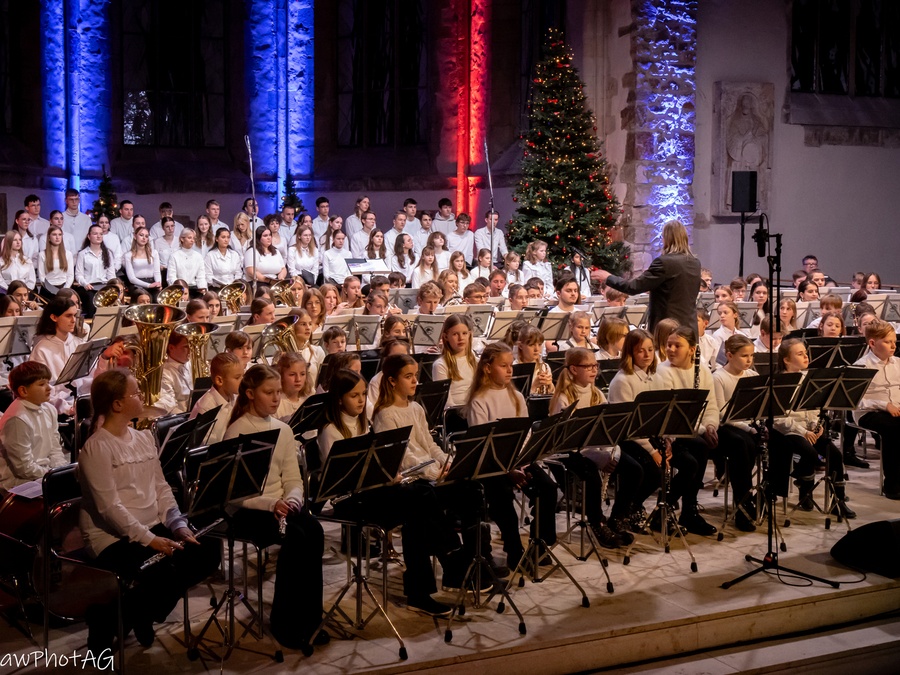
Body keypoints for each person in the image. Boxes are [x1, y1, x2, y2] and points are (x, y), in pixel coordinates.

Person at [78, 369, 220, 652]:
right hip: (112, 538)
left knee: (207, 551)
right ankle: (122, 617)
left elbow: (160, 487)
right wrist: (151, 540)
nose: (142, 397)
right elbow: (109, 508)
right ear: (118, 404)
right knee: (164, 572)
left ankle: (122, 615)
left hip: (151, 525)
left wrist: (177, 524)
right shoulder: (96, 448)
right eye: (136, 393)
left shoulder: (143, 437)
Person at [318, 369, 464, 615]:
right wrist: (382, 477)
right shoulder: (330, 430)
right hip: (351, 500)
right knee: (422, 498)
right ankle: (450, 555)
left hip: (374, 491)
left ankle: (420, 592)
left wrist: (387, 474)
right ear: (339, 398)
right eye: (354, 395)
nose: (362, 400)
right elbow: (342, 478)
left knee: (418, 508)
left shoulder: (365, 422)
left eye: (364, 394)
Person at [224, 365, 327, 649]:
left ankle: (310, 618)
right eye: (268, 393)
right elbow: (233, 494)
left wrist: (293, 499)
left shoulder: (282, 429)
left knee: (314, 531)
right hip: (249, 511)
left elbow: (293, 477)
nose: (275, 398)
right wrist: (271, 504)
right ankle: (285, 623)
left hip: (281, 506)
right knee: (296, 538)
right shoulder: (237, 431)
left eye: (277, 392)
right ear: (249, 393)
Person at [463, 342, 559, 570]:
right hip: (491, 465)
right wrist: (509, 471)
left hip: (518, 460)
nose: (509, 370)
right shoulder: (479, 400)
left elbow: (525, 435)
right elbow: (485, 443)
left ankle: (540, 544)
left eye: (511, 365)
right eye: (503, 365)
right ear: (487, 368)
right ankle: (514, 550)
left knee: (548, 488)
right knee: (502, 497)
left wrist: (523, 464)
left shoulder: (516, 395)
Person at [547, 348, 641, 546]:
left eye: (595, 365)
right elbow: (566, 441)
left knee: (634, 469)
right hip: (570, 452)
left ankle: (616, 518)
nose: (594, 369)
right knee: (591, 476)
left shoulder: (597, 393)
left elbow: (610, 431)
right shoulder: (564, 397)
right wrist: (599, 458)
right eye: (588, 366)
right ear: (573, 369)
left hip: (599, 449)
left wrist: (610, 455)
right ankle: (597, 522)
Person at [772, 339, 852, 516]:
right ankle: (805, 490)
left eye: (805, 353)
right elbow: (778, 419)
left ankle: (838, 501)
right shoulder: (780, 381)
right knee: (810, 453)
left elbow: (814, 408)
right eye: (799, 354)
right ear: (786, 359)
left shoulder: (809, 378)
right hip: (788, 431)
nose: (805, 356)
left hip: (808, 429)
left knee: (835, 455)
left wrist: (816, 426)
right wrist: (804, 431)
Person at [655, 326, 719, 536]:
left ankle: (689, 510)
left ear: (692, 349)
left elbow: (710, 405)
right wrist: (701, 429)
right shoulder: (663, 371)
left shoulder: (703, 369)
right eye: (668, 345)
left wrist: (710, 426)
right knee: (694, 456)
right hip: (668, 433)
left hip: (692, 431)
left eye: (677, 346)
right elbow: (671, 415)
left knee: (702, 447)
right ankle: (665, 508)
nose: (671, 349)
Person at [607, 329, 670, 532]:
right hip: (627, 438)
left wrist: (666, 441)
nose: (647, 355)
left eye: (650, 350)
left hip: (649, 436)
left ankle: (634, 507)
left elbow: (662, 415)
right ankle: (620, 513)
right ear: (630, 353)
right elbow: (628, 425)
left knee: (668, 467)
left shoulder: (655, 377)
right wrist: (652, 451)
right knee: (646, 469)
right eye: (640, 351)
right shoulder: (622, 380)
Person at [593, 219, 701, 332]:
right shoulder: (695, 263)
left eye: (663, 237)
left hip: (668, 329)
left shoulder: (664, 262)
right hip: (689, 328)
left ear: (667, 239)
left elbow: (633, 287)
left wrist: (608, 277)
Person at [712, 335, 761, 532]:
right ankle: (742, 504)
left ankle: (759, 497)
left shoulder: (752, 376)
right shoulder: (718, 377)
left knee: (771, 441)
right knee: (743, 444)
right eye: (744, 356)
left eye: (751, 356)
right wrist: (748, 427)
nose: (749, 360)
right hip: (726, 427)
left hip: (749, 425)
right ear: (729, 355)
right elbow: (722, 413)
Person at [0, 361, 68, 488]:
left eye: (48, 382)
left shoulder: (49, 409)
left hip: (44, 474)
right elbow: (24, 468)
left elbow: (55, 449)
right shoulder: (17, 419)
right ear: (23, 391)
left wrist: (61, 471)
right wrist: (52, 476)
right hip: (19, 482)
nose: (49, 388)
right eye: (42, 384)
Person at [853, 320, 900, 499]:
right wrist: (884, 405)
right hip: (869, 413)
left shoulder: (898, 363)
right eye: (888, 341)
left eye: (894, 341)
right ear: (872, 343)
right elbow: (856, 401)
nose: (893, 345)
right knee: (894, 429)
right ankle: (892, 485)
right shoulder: (862, 366)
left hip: (895, 410)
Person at [189, 352, 242, 445]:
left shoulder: (236, 397)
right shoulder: (205, 408)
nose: (242, 381)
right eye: (237, 377)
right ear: (219, 380)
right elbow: (204, 445)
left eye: (243, 376)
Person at [433, 314, 478, 408]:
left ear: (470, 334)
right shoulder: (441, 365)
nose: (461, 338)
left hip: (477, 409)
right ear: (446, 337)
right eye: (455, 334)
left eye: (464, 333)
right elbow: (447, 402)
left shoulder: (476, 361)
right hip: (456, 414)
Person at [123, 226, 162, 299]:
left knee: (158, 300)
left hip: (152, 282)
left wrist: (158, 283)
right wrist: (148, 285)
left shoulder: (154, 253)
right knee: (142, 298)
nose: (144, 238)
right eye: (141, 235)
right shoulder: (128, 255)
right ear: (135, 236)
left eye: (146, 236)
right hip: (137, 285)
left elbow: (157, 272)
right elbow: (132, 279)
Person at [158, 332, 192, 414]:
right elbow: (170, 407)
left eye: (191, 345)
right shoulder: (164, 373)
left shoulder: (192, 363)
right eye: (186, 347)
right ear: (171, 348)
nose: (191, 350)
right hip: (182, 419)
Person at [37, 225, 75, 297]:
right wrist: (52, 290)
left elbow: (70, 275)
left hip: (64, 288)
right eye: (54, 234)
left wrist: (64, 290)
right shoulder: (42, 254)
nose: (57, 237)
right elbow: (41, 277)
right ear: (49, 237)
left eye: (60, 235)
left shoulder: (68, 254)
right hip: (48, 289)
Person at [275, 353, 313, 420]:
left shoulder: (308, 401)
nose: (298, 379)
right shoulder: (275, 404)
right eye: (292, 374)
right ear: (281, 376)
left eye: (302, 374)